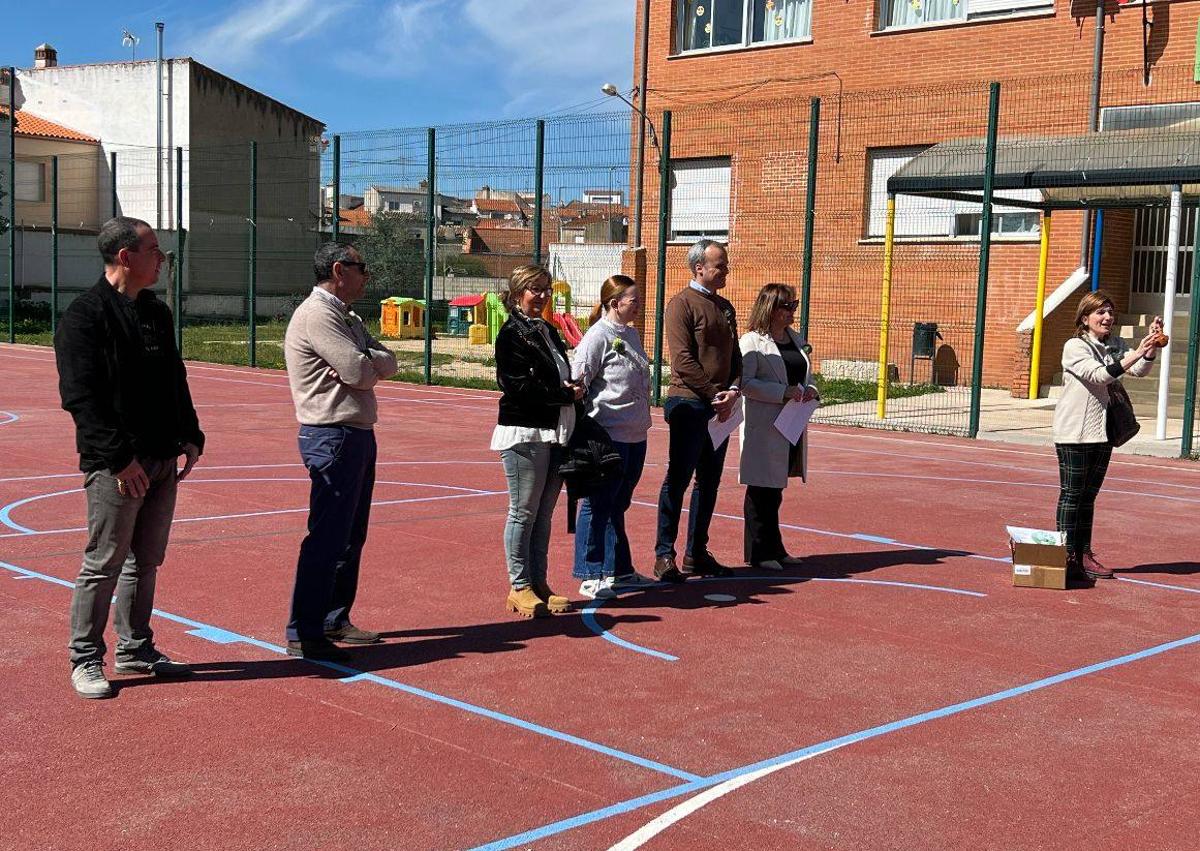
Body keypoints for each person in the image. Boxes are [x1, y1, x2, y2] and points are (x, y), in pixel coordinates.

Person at [54, 216, 204, 699]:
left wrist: (190, 433)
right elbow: (82, 398)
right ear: (125, 257)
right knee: (104, 562)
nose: (161, 259)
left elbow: (174, 377)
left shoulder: (155, 312)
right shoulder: (85, 316)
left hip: (161, 458)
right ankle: (85, 658)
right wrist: (120, 460)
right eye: (154, 250)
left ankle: (136, 648)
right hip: (116, 465)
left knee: (147, 560)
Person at [283, 242, 398, 660]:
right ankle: (304, 630)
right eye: (360, 267)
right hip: (331, 434)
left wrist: (368, 363)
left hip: (356, 433)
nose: (366, 275)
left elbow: (386, 362)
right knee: (328, 537)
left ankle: (333, 617)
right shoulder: (319, 314)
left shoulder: (345, 315)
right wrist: (366, 365)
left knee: (351, 536)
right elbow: (358, 372)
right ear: (338, 269)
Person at [1052, 291, 1162, 581]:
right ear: (1085, 318)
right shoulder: (1075, 346)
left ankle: (1084, 553)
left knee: (1089, 497)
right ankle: (1065, 557)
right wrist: (1136, 353)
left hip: (1103, 432)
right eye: (1101, 312)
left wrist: (1149, 347)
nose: (1108, 317)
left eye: (1110, 312)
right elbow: (1100, 375)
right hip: (1074, 432)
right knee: (1072, 496)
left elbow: (1139, 369)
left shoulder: (1115, 344)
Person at [493, 265, 583, 617]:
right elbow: (516, 385)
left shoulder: (546, 329)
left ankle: (539, 583)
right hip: (525, 431)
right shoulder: (511, 333)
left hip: (555, 429)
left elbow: (560, 373)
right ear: (518, 293)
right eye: (535, 289)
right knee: (523, 511)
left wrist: (576, 387)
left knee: (543, 513)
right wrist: (565, 394)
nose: (543, 295)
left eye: (546, 288)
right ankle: (519, 586)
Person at [654, 239, 743, 582]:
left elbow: (736, 358)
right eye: (720, 265)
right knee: (677, 479)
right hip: (689, 403)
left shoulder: (725, 307)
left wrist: (733, 390)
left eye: (725, 264)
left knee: (709, 481)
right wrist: (713, 395)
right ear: (699, 268)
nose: (725, 271)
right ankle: (665, 555)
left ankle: (696, 553)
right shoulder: (681, 305)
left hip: (720, 406)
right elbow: (682, 361)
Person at [570, 275, 654, 599]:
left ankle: (620, 570)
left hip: (635, 433)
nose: (639, 304)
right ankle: (590, 573)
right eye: (633, 299)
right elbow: (580, 377)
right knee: (598, 503)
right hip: (607, 433)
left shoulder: (630, 333)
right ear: (614, 303)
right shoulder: (598, 337)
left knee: (618, 503)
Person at [739, 283, 819, 571]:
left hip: (791, 423)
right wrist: (781, 391)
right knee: (761, 489)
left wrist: (810, 389)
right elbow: (744, 384)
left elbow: (804, 374)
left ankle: (775, 547)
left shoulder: (795, 339)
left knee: (777, 489)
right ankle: (759, 551)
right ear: (769, 308)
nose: (791, 312)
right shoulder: (751, 341)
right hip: (764, 425)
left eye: (793, 306)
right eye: (786, 306)